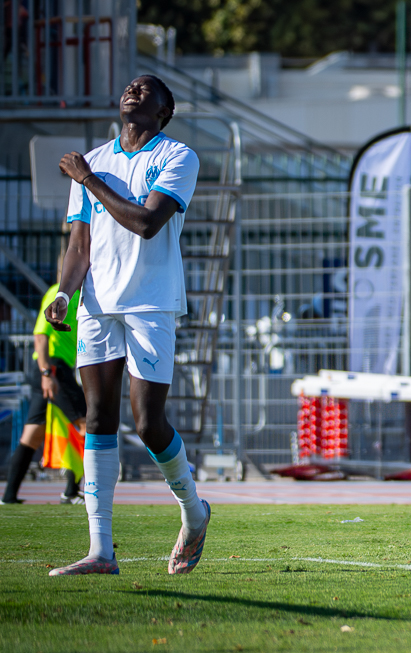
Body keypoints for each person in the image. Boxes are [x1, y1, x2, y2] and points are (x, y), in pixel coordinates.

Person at [44, 74, 209, 576]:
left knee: (148, 423)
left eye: (147, 89)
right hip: (97, 304)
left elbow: (145, 222)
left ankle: (194, 510)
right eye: (130, 87)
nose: (134, 91)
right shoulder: (94, 159)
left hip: (151, 304)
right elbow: (80, 244)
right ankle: (101, 551)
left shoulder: (177, 156)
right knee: (97, 417)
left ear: (164, 110)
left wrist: (88, 179)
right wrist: (65, 293)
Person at [2, 282, 87, 505]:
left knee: (33, 432)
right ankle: (71, 492)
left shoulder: (83, 293)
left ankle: (9, 496)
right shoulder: (59, 293)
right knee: (88, 423)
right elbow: (40, 336)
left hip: (52, 368)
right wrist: (47, 373)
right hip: (52, 367)